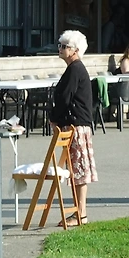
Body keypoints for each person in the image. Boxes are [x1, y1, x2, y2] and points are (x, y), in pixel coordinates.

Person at [47, 29, 98, 223]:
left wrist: (54, 118)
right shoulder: (73, 69)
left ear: (75, 50)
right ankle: (79, 211)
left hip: (77, 125)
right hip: (75, 123)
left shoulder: (76, 69)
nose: (60, 49)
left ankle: (81, 213)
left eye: (65, 46)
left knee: (79, 170)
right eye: (60, 45)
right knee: (76, 170)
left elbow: (64, 98)